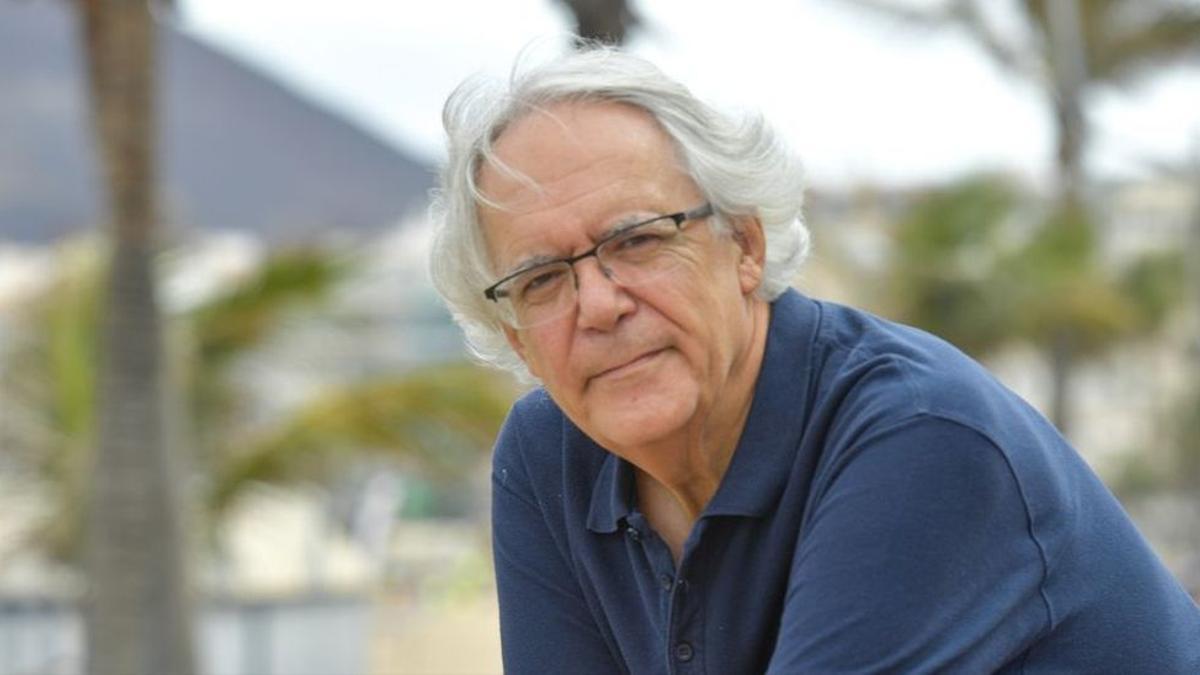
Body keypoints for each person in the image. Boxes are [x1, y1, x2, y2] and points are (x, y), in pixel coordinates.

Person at [428, 47, 1200, 674]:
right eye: (541, 280)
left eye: (636, 240)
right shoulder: (545, 458)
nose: (597, 304)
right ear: (518, 338)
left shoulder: (918, 437)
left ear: (745, 245)